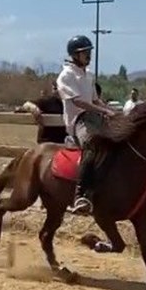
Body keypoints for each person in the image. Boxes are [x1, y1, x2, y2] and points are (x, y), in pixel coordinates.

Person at [57, 35, 118, 215]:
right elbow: (78, 102)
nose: (88, 55)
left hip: (95, 117)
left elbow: (94, 99)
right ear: (75, 55)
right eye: (85, 53)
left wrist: (112, 111)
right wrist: (104, 111)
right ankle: (80, 194)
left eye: (89, 52)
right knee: (92, 146)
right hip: (79, 120)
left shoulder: (89, 74)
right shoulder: (66, 75)